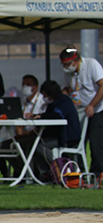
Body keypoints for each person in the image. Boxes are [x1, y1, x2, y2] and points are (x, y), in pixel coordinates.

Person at [60, 46, 103, 176]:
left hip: (98, 110)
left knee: (96, 145)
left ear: (75, 61)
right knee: (77, 143)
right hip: (80, 112)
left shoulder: (91, 64)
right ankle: (80, 173)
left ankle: (97, 174)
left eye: (67, 64)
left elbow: (102, 85)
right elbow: (69, 89)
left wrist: (92, 105)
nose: (65, 67)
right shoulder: (69, 73)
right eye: (63, 64)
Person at [29, 80, 81, 181]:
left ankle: (57, 166)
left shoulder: (64, 101)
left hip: (67, 137)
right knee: (32, 145)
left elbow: (57, 116)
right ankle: (43, 172)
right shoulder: (53, 103)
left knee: (39, 146)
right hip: (57, 136)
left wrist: (41, 116)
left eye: (45, 95)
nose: (44, 98)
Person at [0, 74, 48, 177]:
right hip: (24, 135)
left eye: (28, 84)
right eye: (23, 84)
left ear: (36, 87)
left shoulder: (42, 102)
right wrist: (20, 133)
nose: (25, 87)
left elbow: (42, 123)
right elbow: (18, 119)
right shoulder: (23, 102)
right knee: (4, 146)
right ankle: (21, 171)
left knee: (19, 145)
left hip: (37, 135)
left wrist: (26, 134)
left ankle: (29, 173)